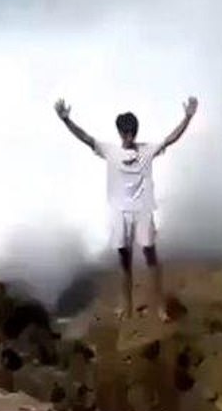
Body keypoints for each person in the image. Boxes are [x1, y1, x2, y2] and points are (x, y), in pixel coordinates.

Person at [54, 96, 199, 322]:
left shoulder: (146, 150)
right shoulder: (111, 151)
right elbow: (85, 138)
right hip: (120, 213)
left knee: (151, 255)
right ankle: (127, 305)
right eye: (125, 133)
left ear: (136, 132)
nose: (129, 137)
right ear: (120, 133)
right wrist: (66, 120)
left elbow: (171, 139)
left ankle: (159, 306)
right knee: (125, 260)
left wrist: (188, 117)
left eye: (132, 132)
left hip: (143, 211)